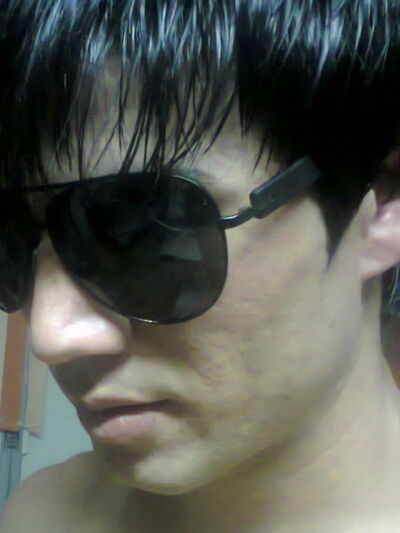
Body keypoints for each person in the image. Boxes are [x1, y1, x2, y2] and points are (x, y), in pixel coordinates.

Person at [1, 1, 400, 531]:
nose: (50, 336)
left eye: (144, 232)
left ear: (381, 202)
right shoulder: (39, 513)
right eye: (7, 242)